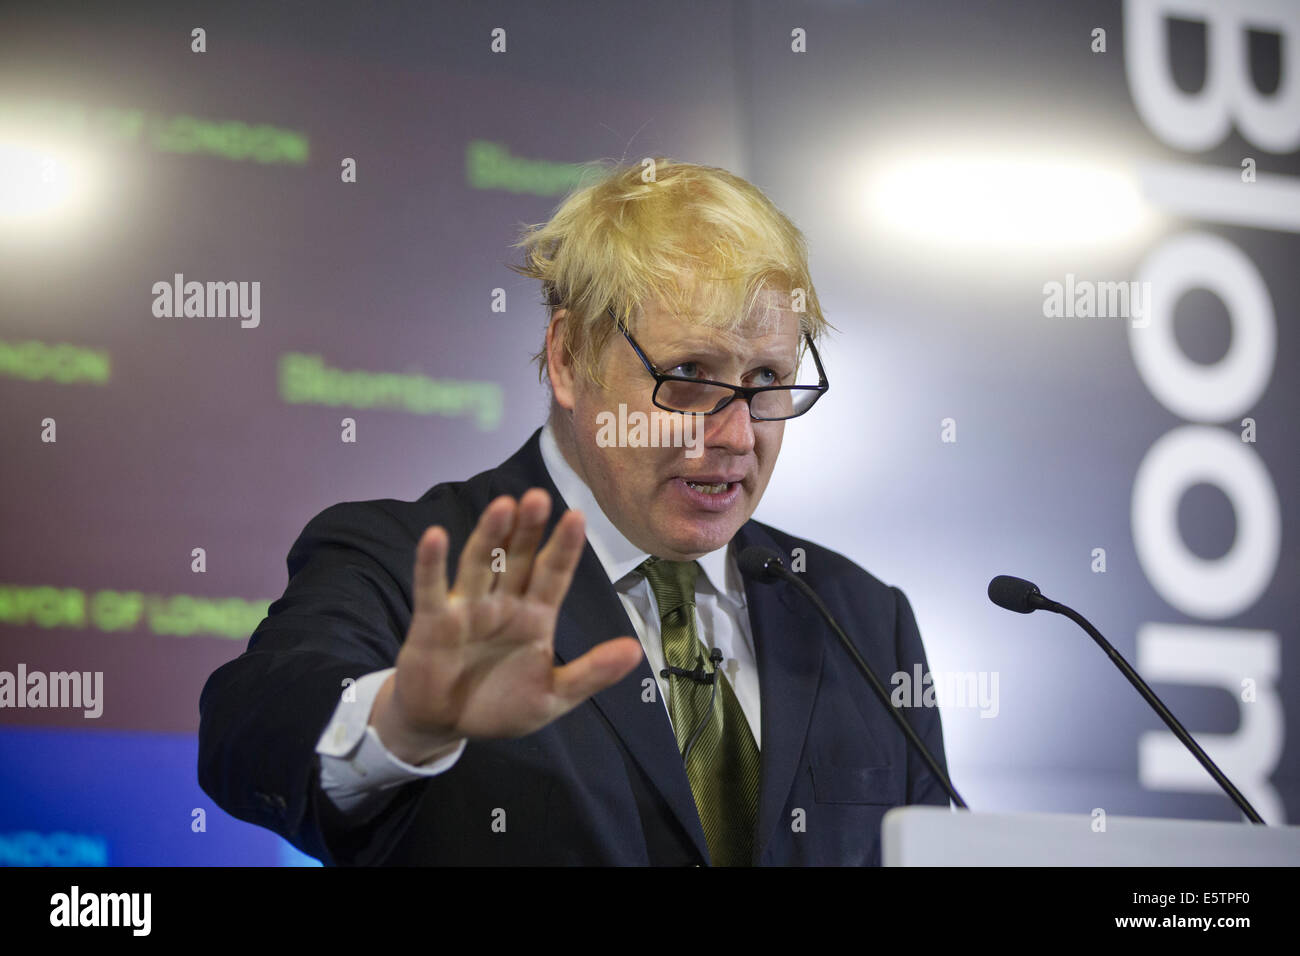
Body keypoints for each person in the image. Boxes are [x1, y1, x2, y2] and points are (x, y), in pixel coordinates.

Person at [198, 158, 950, 865]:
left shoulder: (862, 621)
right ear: (568, 358)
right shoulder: (406, 560)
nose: (736, 434)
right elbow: (246, 733)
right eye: (689, 374)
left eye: (766, 378)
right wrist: (404, 719)